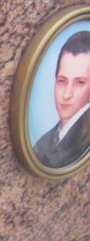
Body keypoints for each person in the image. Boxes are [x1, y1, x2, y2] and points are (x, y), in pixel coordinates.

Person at [33, 31, 90, 168]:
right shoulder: (44, 142)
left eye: (79, 83)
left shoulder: (83, 139)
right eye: (62, 81)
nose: (66, 94)